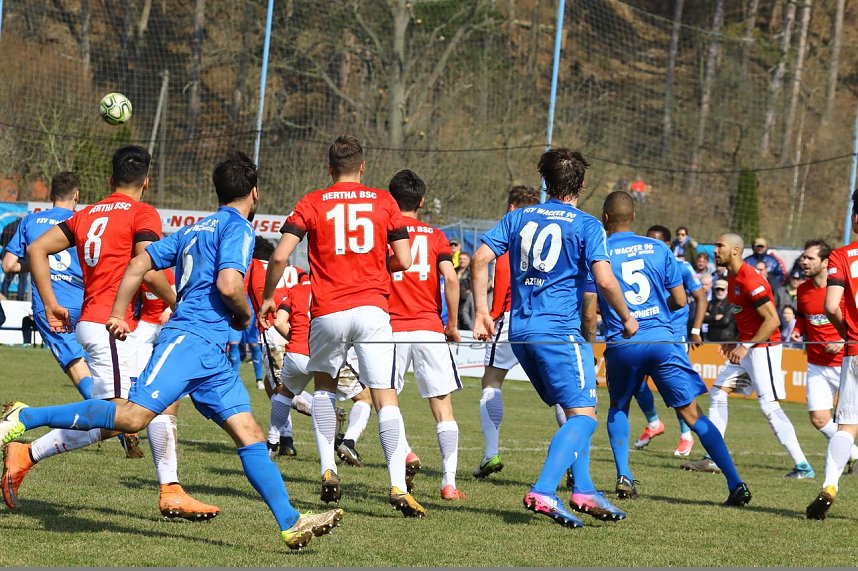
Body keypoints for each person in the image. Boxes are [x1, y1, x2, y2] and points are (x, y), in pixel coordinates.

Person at [0, 151, 344, 549]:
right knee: (131, 417)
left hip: (212, 355)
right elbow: (229, 285)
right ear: (255, 193)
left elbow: (138, 266)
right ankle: (26, 416)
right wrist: (245, 313)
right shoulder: (238, 228)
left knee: (248, 432)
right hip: (189, 342)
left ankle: (290, 522)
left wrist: (118, 311)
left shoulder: (193, 229)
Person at [1, 146, 214, 518]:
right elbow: (148, 270)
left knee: (157, 402)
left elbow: (35, 249)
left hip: (99, 323)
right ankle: (26, 430)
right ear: (146, 182)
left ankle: (171, 489)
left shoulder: (86, 214)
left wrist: (50, 303)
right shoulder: (142, 212)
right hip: (110, 328)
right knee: (122, 416)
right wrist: (177, 302)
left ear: (111, 179)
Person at [258, 135, 424, 517]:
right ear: (362, 167)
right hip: (372, 310)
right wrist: (374, 267)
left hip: (328, 310)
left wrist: (268, 297)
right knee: (385, 397)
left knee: (324, 389)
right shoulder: (384, 201)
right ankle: (398, 486)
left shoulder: (312, 201)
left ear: (329, 168)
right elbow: (404, 258)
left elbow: (280, 256)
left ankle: (328, 469)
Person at [472, 148, 636, 528]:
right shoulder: (587, 225)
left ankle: (584, 489)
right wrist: (627, 318)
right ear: (582, 184)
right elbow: (605, 281)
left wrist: (482, 311)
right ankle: (544, 490)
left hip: (520, 331)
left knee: (573, 410)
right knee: (585, 416)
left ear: (545, 182)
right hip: (560, 331)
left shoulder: (518, 217)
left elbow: (479, 259)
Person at [597, 192, 750, 505]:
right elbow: (681, 300)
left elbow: (589, 301)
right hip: (663, 341)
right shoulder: (658, 248)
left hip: (624, 341)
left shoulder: (599, 250)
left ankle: (624, 476)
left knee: (619, 407)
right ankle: (736, 484)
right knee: (694, 415)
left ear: (605, 218)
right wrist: (655, 315)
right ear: (634, 217)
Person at [681, 233, 813, 478]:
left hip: (764, 349)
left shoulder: (751, 279)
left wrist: (744, 346)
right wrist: (735, 343)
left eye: (719, 246)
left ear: (734, 251)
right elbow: (747, 318)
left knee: (768, 406)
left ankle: (803, 466)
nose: (715, 250)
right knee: (718, 392)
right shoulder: (731, 277)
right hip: (748, 348)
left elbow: (772, 321)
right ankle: (714, 458)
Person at [387, 169, 467, 500]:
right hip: (429, 327)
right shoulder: (435, 236)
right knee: (443, 408)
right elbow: (451, 278)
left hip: (390, 328)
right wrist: (451, 325)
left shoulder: (385, 233)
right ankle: (448, 483)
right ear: (421, 201)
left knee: (384, 400)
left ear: (392, 200)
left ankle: (406, 452)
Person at [1, 172, 94, 402]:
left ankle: (112, 417)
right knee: (99, 363)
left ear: (51, 195)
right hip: (85, 303)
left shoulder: (30, 221)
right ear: (76, 195)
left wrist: (37, 264)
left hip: (49, 305)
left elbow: (8, 265)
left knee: (76, 364)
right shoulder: (84, 222)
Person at [473, 185, 541, 478]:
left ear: (512, 207)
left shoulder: (512, 232)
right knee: (560, 391)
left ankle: (491, 454)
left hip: (513, 317)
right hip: (546, 319)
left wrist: (492, 313)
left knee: (491, 381)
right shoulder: (547, 234)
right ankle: (573, 462)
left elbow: (501, 272)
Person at [631, 224, 708, 458]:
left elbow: (700, 297)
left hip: (674, 335)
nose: (652, 244)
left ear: (669, 245)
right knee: (635, 382)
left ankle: (686, 435)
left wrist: (695, 329)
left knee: (674, 386)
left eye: (657, 241)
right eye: (648, 240)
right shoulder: (641, 265)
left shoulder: (681, 267)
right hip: (647, 332)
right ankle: (654, 423)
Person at [806, 193, 858, 518]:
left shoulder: (841, 256)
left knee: (847, 427)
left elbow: (830, 306)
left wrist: (845, 332)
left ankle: (830, 485)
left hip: (855, 350)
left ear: (856, 217)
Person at [792, 240, 858, 482]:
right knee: (819, 418)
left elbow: (849, 319)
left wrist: (842, 340)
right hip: (816, 363)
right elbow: (802, 317)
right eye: (803, 257)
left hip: (845, 360)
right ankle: (853, 454)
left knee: (849, 421)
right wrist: (797, 330)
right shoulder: (802, 290)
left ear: (825, 262)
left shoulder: (841, 288)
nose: (804, 261)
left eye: (810, 258)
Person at [457, 251, 474, 330]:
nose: (462, 261)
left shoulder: (471, 272)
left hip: (465, 301)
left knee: (464, 320)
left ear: (469, 260)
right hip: (454, 300)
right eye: (460, 259)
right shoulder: (454, 270)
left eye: (464, 259)